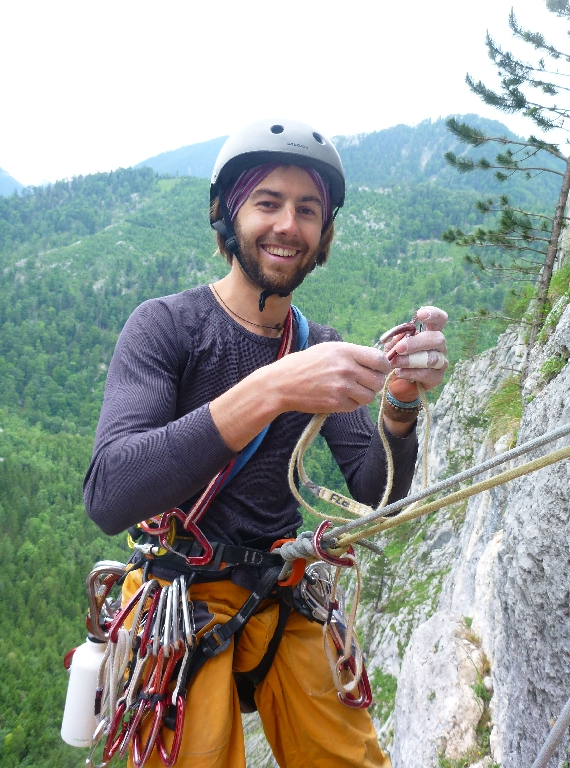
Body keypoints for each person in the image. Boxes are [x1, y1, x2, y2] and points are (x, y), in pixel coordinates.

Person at [84, 119, 448, 768]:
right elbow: (111, 493)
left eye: (307, 210)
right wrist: (273, 389)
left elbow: (373, 491)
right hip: (180, 594)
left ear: (323, 232)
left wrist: (399, 404)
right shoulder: (167, 327)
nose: (288, 225)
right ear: (228, 216)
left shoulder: (317, 345)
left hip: (283, 587)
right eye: (268, 202)